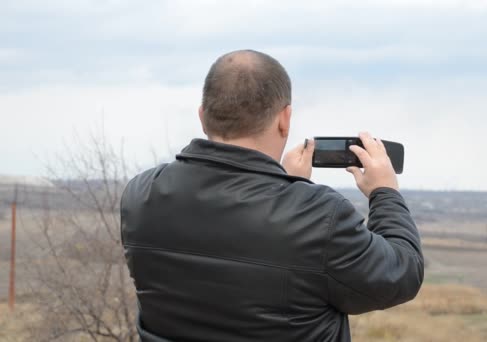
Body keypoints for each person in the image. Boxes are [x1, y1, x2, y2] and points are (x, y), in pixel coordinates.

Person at [120, 49, 424, 342]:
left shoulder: (141, 195)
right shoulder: (319, 218)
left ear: (203, 116)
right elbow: (401, 273)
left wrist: (289, 188)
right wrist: (384, 191)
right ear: (284, 119)